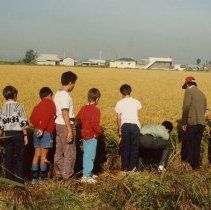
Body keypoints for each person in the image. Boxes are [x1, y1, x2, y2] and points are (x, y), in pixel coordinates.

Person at [0, 86, 28, 183]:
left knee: (9, 156)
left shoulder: (3, 107)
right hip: (17, 133)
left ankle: (9, 179)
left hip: (7, 134)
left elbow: (1, 124)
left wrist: (1, 135)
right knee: (20, 156)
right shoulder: (18, 106)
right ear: (15, 95)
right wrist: (25, 135)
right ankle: (20, 179)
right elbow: (23, 122)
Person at [54, 71, 77, 180]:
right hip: (65, 124)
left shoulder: (57, 93)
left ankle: (59, 173)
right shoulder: (65, 96)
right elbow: (65, 113)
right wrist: (70, 130)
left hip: (58, 124)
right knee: (69, 152)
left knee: (59, 151)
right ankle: (67, 176)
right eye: (74, 83)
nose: (74, 86)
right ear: (70, 82)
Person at [30, 87, 56, 184]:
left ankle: (34, 178)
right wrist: (42, 127)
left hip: (36, 131)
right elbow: (47, 116)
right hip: (45, 131)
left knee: (36, 155)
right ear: (49, 95)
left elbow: (31, 119)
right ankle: (42, 178)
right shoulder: (50, 103)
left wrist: (38, 127)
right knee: (43, 157)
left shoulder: (37, 106)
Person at [77, 88, 102, 184]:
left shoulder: (83, 108)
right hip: (92, 135)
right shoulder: (96, 110)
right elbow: (95, 124)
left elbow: (78, 119)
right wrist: (99, 132)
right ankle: (86, 176)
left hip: (84, 135)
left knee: (86, 154)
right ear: (97, 99)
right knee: (90, 155)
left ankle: (88, 172)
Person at [181, 76, 207, 170]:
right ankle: (195, 166)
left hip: (192, 122)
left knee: (186, 142)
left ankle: (185, 163)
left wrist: (184, 122)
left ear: (187, 84)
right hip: (201, 124)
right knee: (196, 145)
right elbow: (203, 109)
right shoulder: (202, 94)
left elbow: (186, 107)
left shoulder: (189, 91)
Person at [115, 84, 142, 171]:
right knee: (134, 148)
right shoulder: (137, 102)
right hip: (135, 126)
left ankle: (124, 169)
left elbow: (118, 117)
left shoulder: (119, 103)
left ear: (121, 93)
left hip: (125, 126)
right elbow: (137, 114)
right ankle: (132, 168)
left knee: (125, 148)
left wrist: (119, 129)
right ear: (130, 91)